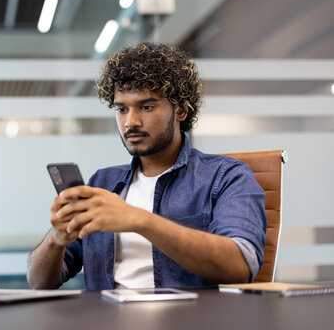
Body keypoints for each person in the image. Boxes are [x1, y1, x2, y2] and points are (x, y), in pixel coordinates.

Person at [27, 42, 266, 290]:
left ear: (181, 110)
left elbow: (240, 266)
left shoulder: (226, 176)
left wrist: (138, 220)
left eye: (146, 107)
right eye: (121, 109)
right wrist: (56, 239)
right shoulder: (102, 184)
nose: (130, 122)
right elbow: (40, 282)